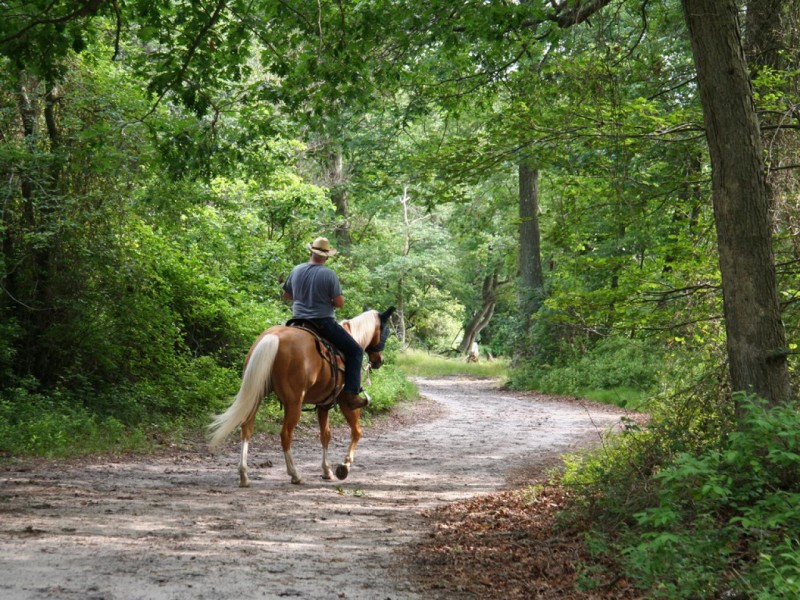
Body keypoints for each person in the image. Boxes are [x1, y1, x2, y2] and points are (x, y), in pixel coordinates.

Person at [281, 236, 368, 410]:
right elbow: (339, 302)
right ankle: (351, 394)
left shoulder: (296, 270)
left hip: (296, 322)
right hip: (322, 323)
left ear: (310, 251)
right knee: (356, 351)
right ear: (326, 256)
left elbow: (287, 295)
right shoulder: (329, 274)